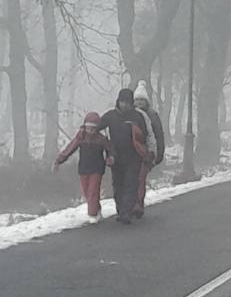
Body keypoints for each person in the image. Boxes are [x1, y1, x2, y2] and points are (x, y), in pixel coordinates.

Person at [100, 88, 153, 224]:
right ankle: (121, 209)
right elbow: (97, 127)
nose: (125, 105)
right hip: (116, 157)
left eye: (127, 102)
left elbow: (145, 135)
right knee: (118, 186)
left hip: (134, 157)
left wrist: (150, 152)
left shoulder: (137, 116)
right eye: (123, 102)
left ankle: (126, 213)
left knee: (131, 185)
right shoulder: (110, 116)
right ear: (118, 101)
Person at [53, 112, 113, 223]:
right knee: (86, 192)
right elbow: (69, 149)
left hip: (97, 168)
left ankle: (93, 214)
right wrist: (59, 160)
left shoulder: (101, 139)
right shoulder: (80, 138)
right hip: (84, 168)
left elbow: (110, 150)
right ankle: (97, 209)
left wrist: (110, 158)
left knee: (93, 191)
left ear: (97, 129)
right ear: (85, 127)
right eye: (88, 128)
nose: (90, 131)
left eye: (93, 129)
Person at [132, 81, 165, 218]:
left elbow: (158, 134)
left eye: (142, 100)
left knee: (140, 178)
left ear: (146, 101)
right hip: (132, 153)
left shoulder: (152, 115)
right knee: (132, 179)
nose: (139, 102)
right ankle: (132, 203)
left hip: (146, 153)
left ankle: (138, 203)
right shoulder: (131, 114)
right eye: (137, 100)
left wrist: (158, 153)